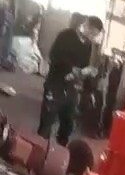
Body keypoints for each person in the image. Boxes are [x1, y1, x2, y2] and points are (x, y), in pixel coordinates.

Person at [38, 14, 104, 146]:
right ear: (86, 25)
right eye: (92, 33)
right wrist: (70, 68)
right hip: (55, 83)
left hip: (71, 87)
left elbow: (83, 65)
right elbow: (54, 55)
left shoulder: (88, 45)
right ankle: (39, 147)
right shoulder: (66, 35)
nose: (92, 37)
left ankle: (60, 149)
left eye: (95, 35)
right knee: (47, 120)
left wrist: (89, 72)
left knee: (68, 123)